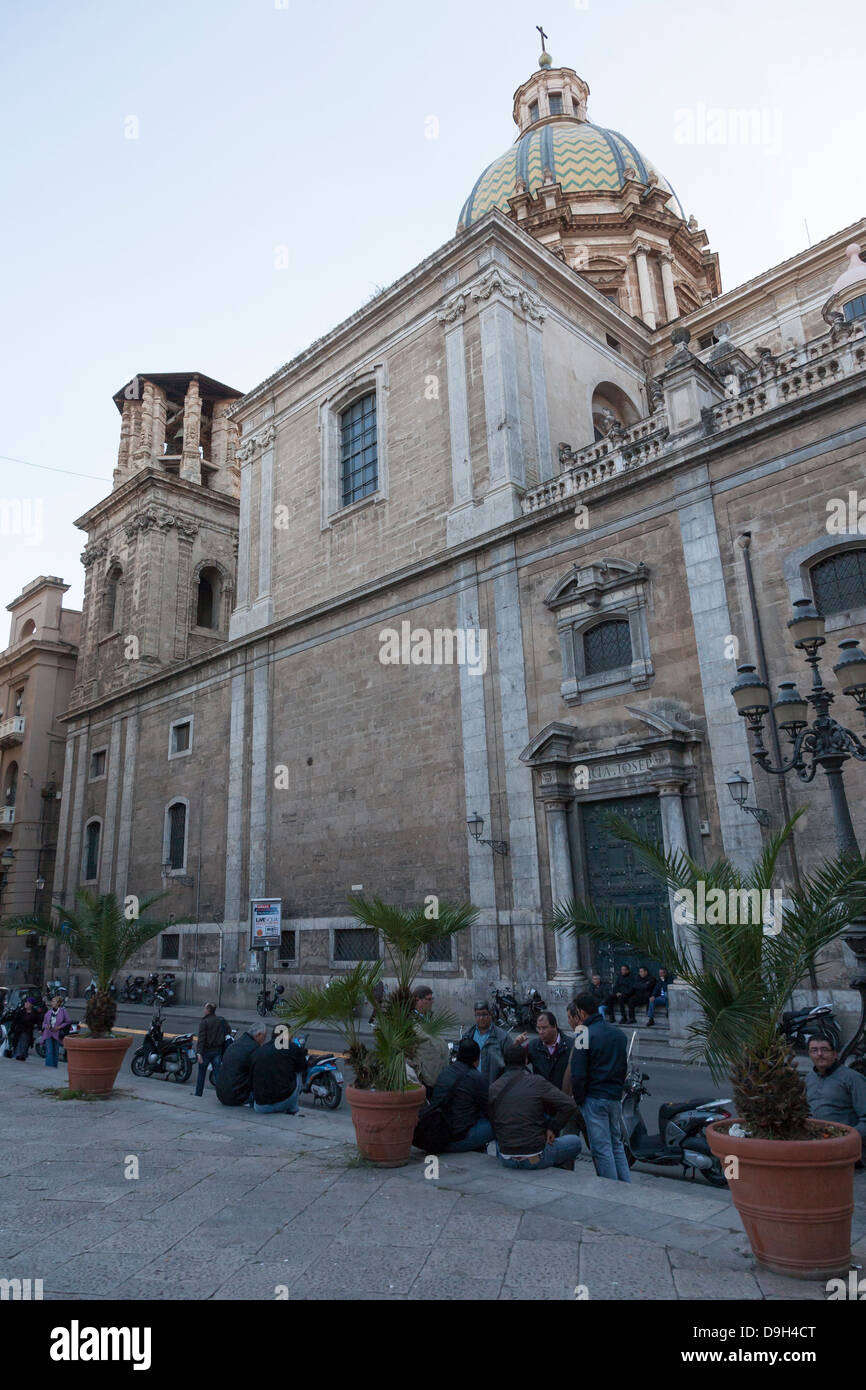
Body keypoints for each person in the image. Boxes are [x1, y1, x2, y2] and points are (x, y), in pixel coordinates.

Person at [488, 1042, 581, 1171]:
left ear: (505, 1061)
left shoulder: (494, 1088)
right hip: (535, 1157)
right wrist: (553, 1128)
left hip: (506, 1158)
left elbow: (492, 1120)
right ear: (525, 1060)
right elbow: (570, 1105)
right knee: (575, 1141)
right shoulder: (536, 1082)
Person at [567, 994, 631, 1182]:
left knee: (602, 1148)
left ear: (581, 1012)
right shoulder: (618, 1034)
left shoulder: (583, 1034)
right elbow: (622, 1067)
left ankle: (610, 1189)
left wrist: (579, 1099)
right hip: (613, 1097)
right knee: (616, 1144)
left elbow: (577, 1073)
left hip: (594, 1098)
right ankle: (626, 1185)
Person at [805, 1037, 866, 1163]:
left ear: (835, 1054)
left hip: (843, 1147)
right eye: (814, 1050)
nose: (820, 1054)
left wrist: (848, 1138)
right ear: (809, 1055)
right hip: (813, 1143)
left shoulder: (853, 1078)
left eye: (824, 1050)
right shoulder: (809, 1078)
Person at [429, 1039, 493, 1153]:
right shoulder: (476, 1077)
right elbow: (490, 1110)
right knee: (498, 1123)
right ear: (477, 1059)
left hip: (437, 1133)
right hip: (457, 1139)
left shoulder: (445, 1071)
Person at [250, 1026, 308, 1115]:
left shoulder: (259, 1050)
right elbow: (303, 1067)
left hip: (260, 1106)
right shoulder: (292, 1047)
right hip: (283, 1103)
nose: (292, 1037)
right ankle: (293, 1109)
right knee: (299, 1072)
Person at [215, 1021, 267, 1106]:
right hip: (236, 1096)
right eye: (264, 1037)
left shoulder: (235, 1044)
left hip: (221, 1094)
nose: (264, 1040)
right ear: (258, 1035)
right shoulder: (254, 1049)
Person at [412, 985, 450, 1098]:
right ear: (417, 1000)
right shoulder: (412, 1021)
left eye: (432, 999)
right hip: (426, 1076)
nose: (431, 1002)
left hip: (438, 1074)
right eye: (428, 999)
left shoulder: (428, 1017)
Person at [461, 1001, 509, 1085]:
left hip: (494, 1086)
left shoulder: (502, 1037)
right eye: (478, 1015)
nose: (481, 1018)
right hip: (472, 1085)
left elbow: (510, 1064)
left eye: (484, 1014)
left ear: (491, 1015)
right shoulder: (468, 1036)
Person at [525, 1011, 572, 1090]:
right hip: (541, 1095)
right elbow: (518, 1064)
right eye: (538, 1028)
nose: (541, 1032)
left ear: (554, 1026)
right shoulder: (532, 1046)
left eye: (544, 1028)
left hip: (562, 1096)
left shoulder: (570, 1045)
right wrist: (516, 1046)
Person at [194, 1002, 230, 1097]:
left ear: (208, 1010)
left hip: (206, 1051)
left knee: (201, 1074)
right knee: (217, 1073)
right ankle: (222, 1095)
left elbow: (201, 1039)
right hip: (217, 1051)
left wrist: (199, 1053)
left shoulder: (204, 1022)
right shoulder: (220, 1020)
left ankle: (198, 1094)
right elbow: (228, 1031)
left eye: (205, 1008)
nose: (203, 1010)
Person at [40, 995, 71, 1068]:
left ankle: (54, 1066)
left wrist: (59, 1027)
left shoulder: (63, 1011)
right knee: (49, 1051)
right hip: (48, 1033)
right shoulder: (49, 1012)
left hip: (57, 1034)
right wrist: (46, 1026)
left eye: (54, 1001)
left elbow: (68, 1021)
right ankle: (49, 1067)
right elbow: (43, 1023)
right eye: (52, 1001)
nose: (52, 1003)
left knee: (56, 1051)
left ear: (58, 1003)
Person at [10, 997, 42, 1061]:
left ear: (31, 1005)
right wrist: (12, 1029)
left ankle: (22, 1055)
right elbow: (15, 1021)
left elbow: (38, 1021)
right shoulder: (21, 1011)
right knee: (19, 1043)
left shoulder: (35, 1013)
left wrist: (40, 1029)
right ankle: (18, 1055)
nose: (26, 1004)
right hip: (19, 1030)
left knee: (25, 1043)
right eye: (26, 1002)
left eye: (28, 1003)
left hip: (28, 1031)